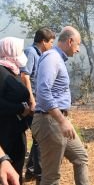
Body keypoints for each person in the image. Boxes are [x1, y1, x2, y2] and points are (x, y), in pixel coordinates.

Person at [31, 26, 89, 185]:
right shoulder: (52, 58)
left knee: (81, 157)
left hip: (57, 120)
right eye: (78, 44)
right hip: (49, 121)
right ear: (70, 41)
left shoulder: (57, 58)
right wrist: (62, 121)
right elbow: (43, 91)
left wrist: (64, 120)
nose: (78, 50)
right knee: (51, 177)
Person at [20, 27, 55, 182]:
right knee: (39, 137)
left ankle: (32, 171)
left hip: (37, 100)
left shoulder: (40, 54)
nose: (52, 46)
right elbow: (24, 76)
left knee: (38, 137)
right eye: (51, 42)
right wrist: (32, 100)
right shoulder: (31, 52)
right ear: (43, 41)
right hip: (30, 100)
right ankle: (39, 174)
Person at [0, 37, 33, 184]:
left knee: (16, 173)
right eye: (18, 50)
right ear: (9, 51)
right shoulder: (1, 72)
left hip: (16, 130)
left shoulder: (12, 69)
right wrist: (20, 109)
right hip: (4, 134)